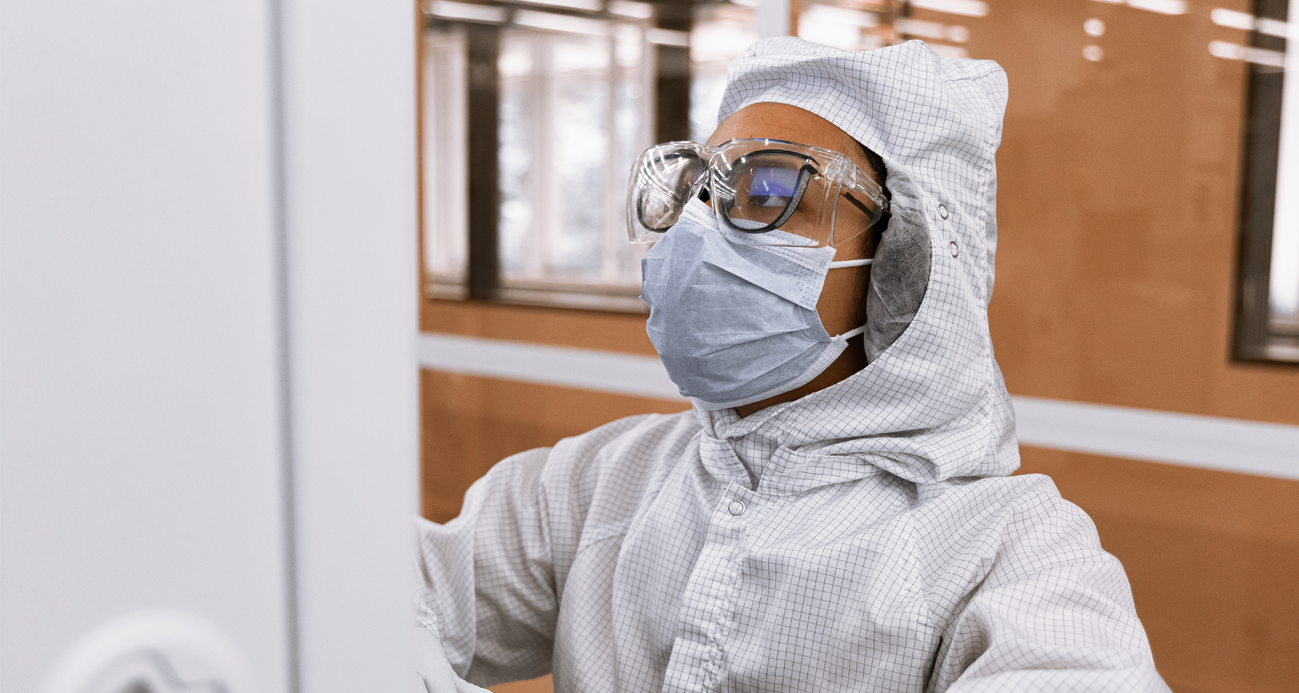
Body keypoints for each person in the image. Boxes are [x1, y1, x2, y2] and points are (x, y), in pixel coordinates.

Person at [416, 38, 1170, 692]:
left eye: (769, 187)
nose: (698, 232)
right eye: (700, 191)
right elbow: (375, 593)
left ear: (904, 258)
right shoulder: (599, 482)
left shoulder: (1009, 549)